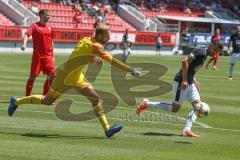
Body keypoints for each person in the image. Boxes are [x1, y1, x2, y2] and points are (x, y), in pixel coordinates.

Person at [8, 24, 140, 138]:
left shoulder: (88, 39)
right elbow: (111, 60)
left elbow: (79, 55)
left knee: (95, 98)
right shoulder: (95, 45)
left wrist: (90, 58)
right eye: (107, 35)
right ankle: (17, 101)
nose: (109, 38)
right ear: (100, 36)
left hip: (76, 76)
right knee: (47, 101)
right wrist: (130, 69)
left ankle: (107, 130)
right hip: (65, 77)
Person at [136, 41, 223, 137]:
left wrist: (193, 79)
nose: (214, 53)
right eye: (215, 50)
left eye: (216, 52)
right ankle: (147, 104)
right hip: (181, 82)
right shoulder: (200, 52)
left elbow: (191, 68)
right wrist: (185, 80)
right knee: (175, 108)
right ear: (211, 45)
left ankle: (187, 130)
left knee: (197, 105)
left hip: (189, 82)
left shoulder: (205, 55)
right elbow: (185, 61)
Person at [21, 9, 55, 96]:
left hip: (48, 57)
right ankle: (27, 96)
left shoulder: (50, 27)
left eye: (49, 15)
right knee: (32, 77)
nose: (49, 16)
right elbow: (27, 35)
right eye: (47, 15)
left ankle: (45, 96)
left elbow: (51, 42)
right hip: (38, 57)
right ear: (41, 15)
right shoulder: (34, 26)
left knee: (52, 77)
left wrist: (53, 56)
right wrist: (24, 44)